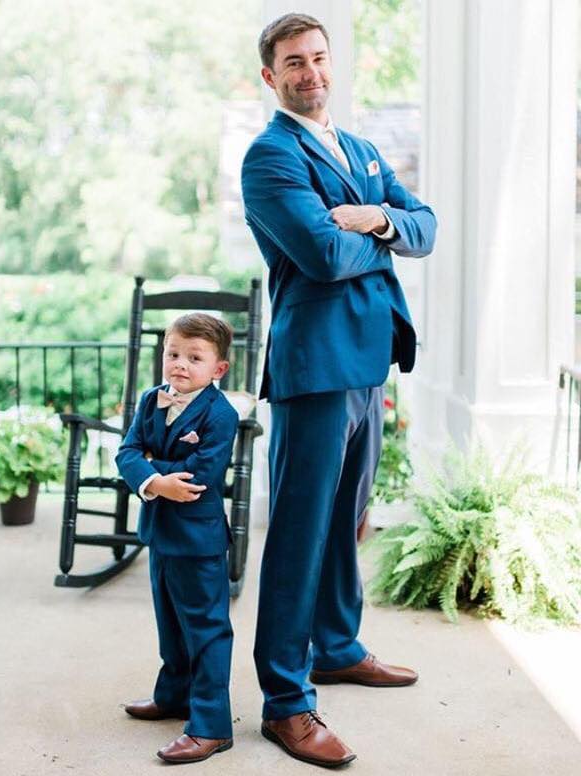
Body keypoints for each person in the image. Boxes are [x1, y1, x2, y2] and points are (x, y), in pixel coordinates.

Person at [241, 13, 437, 768]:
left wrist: (376, 215)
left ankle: (338, 646)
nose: (311, 73)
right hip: (314, 366)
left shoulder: (357, 149)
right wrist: (383, 236)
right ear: (272, 76)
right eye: (294, 62)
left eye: (320, 58)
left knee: (347, 523)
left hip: (367, 363)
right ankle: (286, 703)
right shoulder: (269, 157)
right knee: (298, 534)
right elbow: (321, 257)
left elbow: (426, 227)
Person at [115, 313, 239, 765]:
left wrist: (155, 471)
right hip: (160, 533)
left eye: (194, 357)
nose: (180, 365)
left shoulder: (220, 414)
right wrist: (151, 473)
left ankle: (210, 725)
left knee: (206, 630)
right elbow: (126, 452)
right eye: (173, 354)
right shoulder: (151, 401)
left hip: (199, 541)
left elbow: (201, 476)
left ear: (218, 369)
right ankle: (173, 695)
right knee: (170, 624)